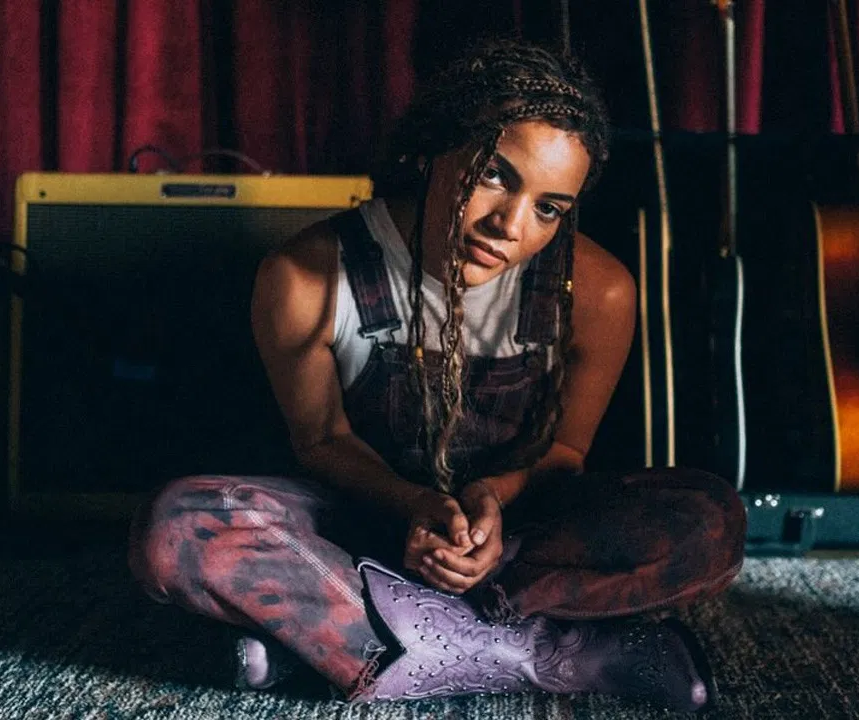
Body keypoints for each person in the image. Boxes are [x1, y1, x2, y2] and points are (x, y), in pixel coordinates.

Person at [128, 39, 745, 711]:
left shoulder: (600, 291)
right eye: (495, 175)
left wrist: (490, 503)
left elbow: (566, 451)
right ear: (435, 150)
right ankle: (550, 652)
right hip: (358, 529)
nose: (510, 225)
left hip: (517, 544)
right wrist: (415, 506)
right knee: (177, 526)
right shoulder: (305, 276)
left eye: (548, 208)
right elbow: (322, 442)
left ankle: (339, 641)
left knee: (710, 521)